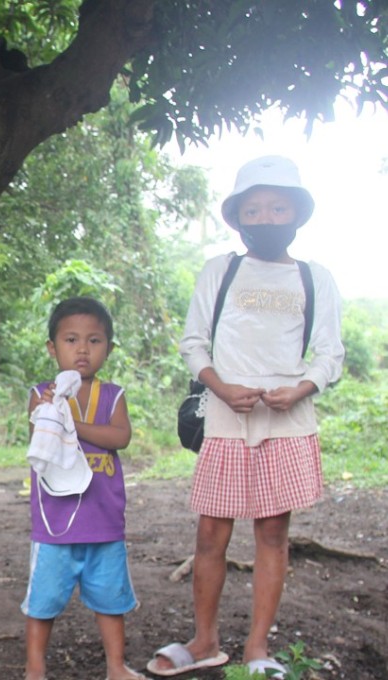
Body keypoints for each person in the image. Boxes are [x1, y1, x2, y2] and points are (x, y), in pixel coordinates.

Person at [148, 155, 344, 678]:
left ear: (297, 215)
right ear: (237, 218)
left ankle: (258, 650)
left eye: (278, 207)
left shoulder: (314, 277)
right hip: (226, 421)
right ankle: (205, 641)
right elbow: (193, 344)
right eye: (253, 210)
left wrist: (301, 389)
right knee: (210, 535)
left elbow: (330, 354)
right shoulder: (222, 270)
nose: (265, 219)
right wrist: (222, 388)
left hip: (288, 425)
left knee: (272, 535)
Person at [22, 297, 144, 680]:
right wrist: (49, 411)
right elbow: (36, 440)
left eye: (94, 341)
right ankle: (35, 669)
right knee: (42, 602)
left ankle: (116, 667)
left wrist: (72, 422)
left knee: (111, 602)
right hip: (56, 528)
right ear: (52, 348)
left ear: (108, 347)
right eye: (71, 339)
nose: (82, 349)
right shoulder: (42, 394)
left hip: (105, 525)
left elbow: (119, 437)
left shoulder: (113, 395)